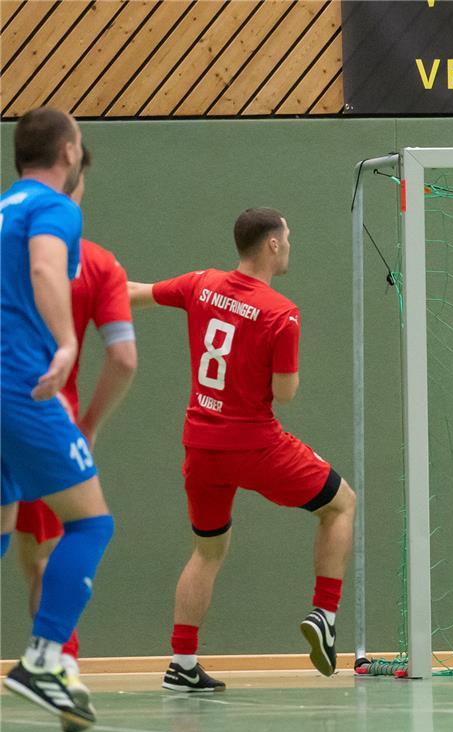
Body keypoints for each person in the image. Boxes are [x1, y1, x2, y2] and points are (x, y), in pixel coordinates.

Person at [127, 208, 355, 692]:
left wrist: (70, 290)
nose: (291, 244)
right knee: (341, 504)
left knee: (207, 551)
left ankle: (182, 663)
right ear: (272, 244)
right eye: (288, 237)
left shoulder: (200, 283)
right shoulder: (281, 313)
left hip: (201, 445)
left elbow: (133, 293)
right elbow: (286, 393)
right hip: (254, 444)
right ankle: (325, 615)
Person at [7, 147, 137, 710]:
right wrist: (85, 419)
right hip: (34, 402)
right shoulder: (80, 244)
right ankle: (52, 663)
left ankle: (58, 670)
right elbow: (124, 357)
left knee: (22, 542)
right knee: (87, 527)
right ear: (72, 163)